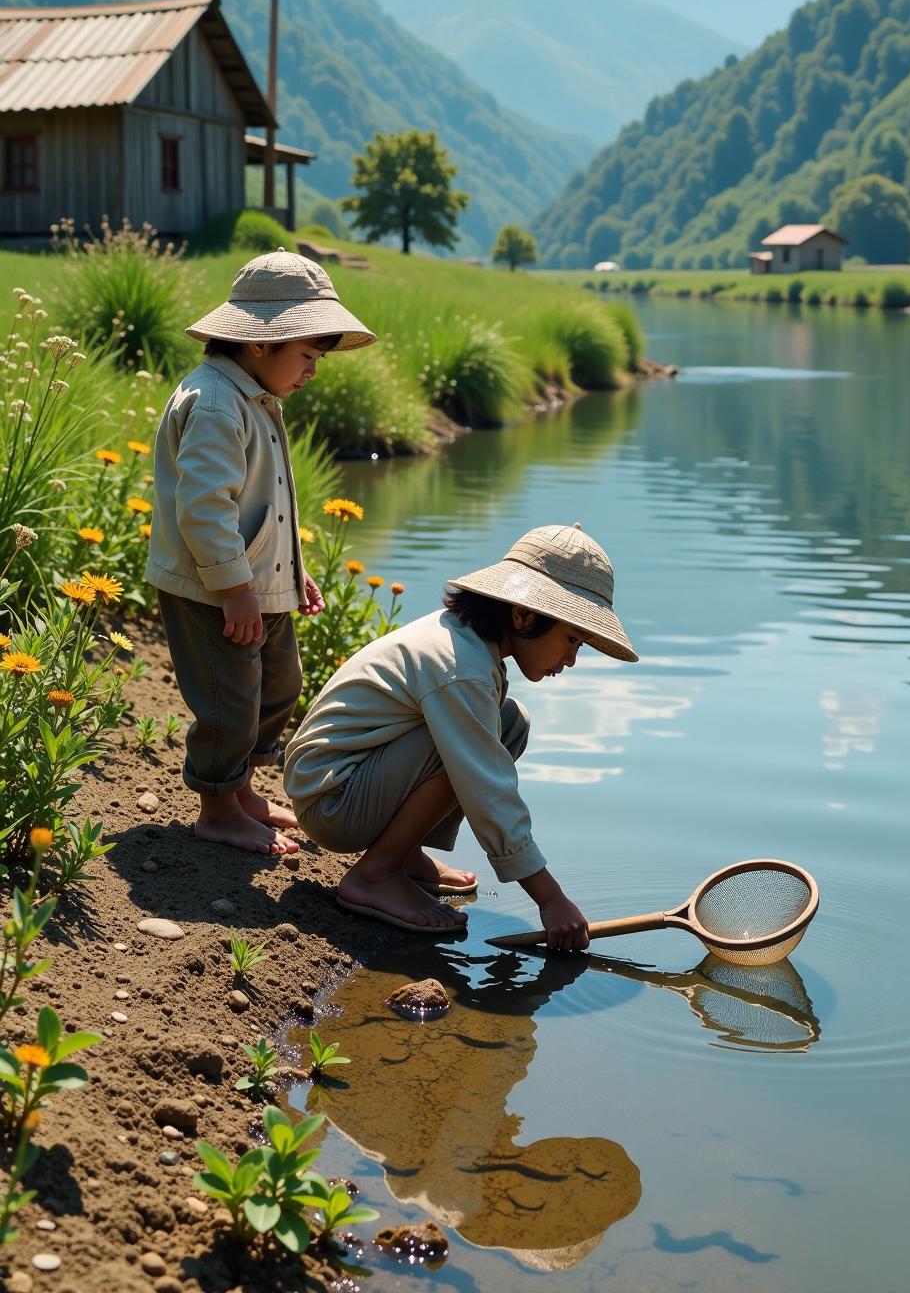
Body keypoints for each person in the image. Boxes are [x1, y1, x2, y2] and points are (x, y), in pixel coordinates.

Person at [283, 522, 637, 946]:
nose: (571, 660)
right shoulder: (461, 666)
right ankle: (377, 874)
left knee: (509, 721)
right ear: (522, 615)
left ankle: (402, 853)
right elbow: (487, 787)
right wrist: (550, 898)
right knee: (472, 744)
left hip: (349, 781)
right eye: (571, 640)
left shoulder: (466, 641)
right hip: (334, 799)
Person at [146, 248, 375, 856]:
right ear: (258, 344)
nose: (312, 372)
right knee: (230, 697)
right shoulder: (217, 401)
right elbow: (206, 506)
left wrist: (290, 575)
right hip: (214, 587)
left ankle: (243, 787)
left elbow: (267, 503)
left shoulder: (251, 395)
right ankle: (218, 806)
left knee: (279, 684)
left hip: (255, 584)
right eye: (306, 356)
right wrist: (236, 587)